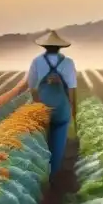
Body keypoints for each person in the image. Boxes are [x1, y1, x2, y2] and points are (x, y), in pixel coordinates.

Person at [27, 30, 77, 174]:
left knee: (41, 140)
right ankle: (53, 173)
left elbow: (32, 86)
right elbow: (72, 88)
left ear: (44, 47)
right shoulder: (68, 63)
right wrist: (73, 109)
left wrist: (37, 105)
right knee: (58, 142)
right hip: (62, 108)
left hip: (42, 107)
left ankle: (41, 171)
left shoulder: (37, 61)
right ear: (60, 47)